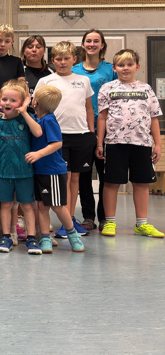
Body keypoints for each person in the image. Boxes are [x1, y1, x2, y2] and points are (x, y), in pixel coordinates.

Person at [96, 49, 163, 238]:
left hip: (142, 144)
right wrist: (100, 143)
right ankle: (109, 222)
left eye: (129, 65)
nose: (125, 68)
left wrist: (157, 144)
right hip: (115, 143)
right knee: (111, 182)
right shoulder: (107, 88)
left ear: (137, 67)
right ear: (114, 68)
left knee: (141, 183)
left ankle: (141, 223)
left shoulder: (146, 89)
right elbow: (102, 117)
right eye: (121, 65)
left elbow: (154, 118)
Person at [0, 82, 42, 253]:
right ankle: (5, 237)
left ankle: (32, 238)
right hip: (3, 172)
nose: (8, 103)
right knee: (5, 205)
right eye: (4, 99)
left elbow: (38, 132)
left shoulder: (24, 119)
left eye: (13, 100)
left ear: (22, 102)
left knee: (26, 205)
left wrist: (25, 112)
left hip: (24, 172)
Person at [35, 41, 93, 238]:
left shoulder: (83, 80)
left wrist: (91, 132)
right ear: (52, 60)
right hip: (57, 137)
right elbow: (37, 109)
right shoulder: (46, 81)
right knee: (64, 178)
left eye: (66, 58)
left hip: (81, 134)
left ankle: (70, 219)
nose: (62, 62)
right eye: (58, 59)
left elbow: (88, 108)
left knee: (76, 177)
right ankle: (62, 222)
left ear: (74, 59)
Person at [27, 86, 85, 253]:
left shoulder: (49, 120)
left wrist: (38, 154)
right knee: (42, 206)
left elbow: (57, 143)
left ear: (35, 102)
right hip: (39, 171)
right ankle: (45, 237)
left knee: (58, 206)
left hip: (53, 171)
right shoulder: (35, 118)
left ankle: (73, 235)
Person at [73, 29, 116, 230]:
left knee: (105, 174)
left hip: (108, 128)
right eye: (88, 41)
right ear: (83, 44)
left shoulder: (110, 70)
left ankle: (105, 217)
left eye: (96, 41)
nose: (92, 44)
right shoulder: (74, 70)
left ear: (102, 45)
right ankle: (88, 217)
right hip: (82, 128)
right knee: (83, 175)